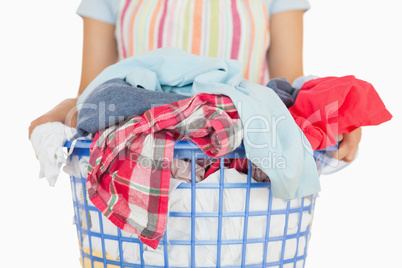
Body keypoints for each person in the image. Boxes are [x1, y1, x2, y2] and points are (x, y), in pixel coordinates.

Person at [28, 0, 361, 162]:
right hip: (137, 161)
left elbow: (287, 92)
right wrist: (58, 115)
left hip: (245, 173)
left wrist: (332, 114)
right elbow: (91, 98)